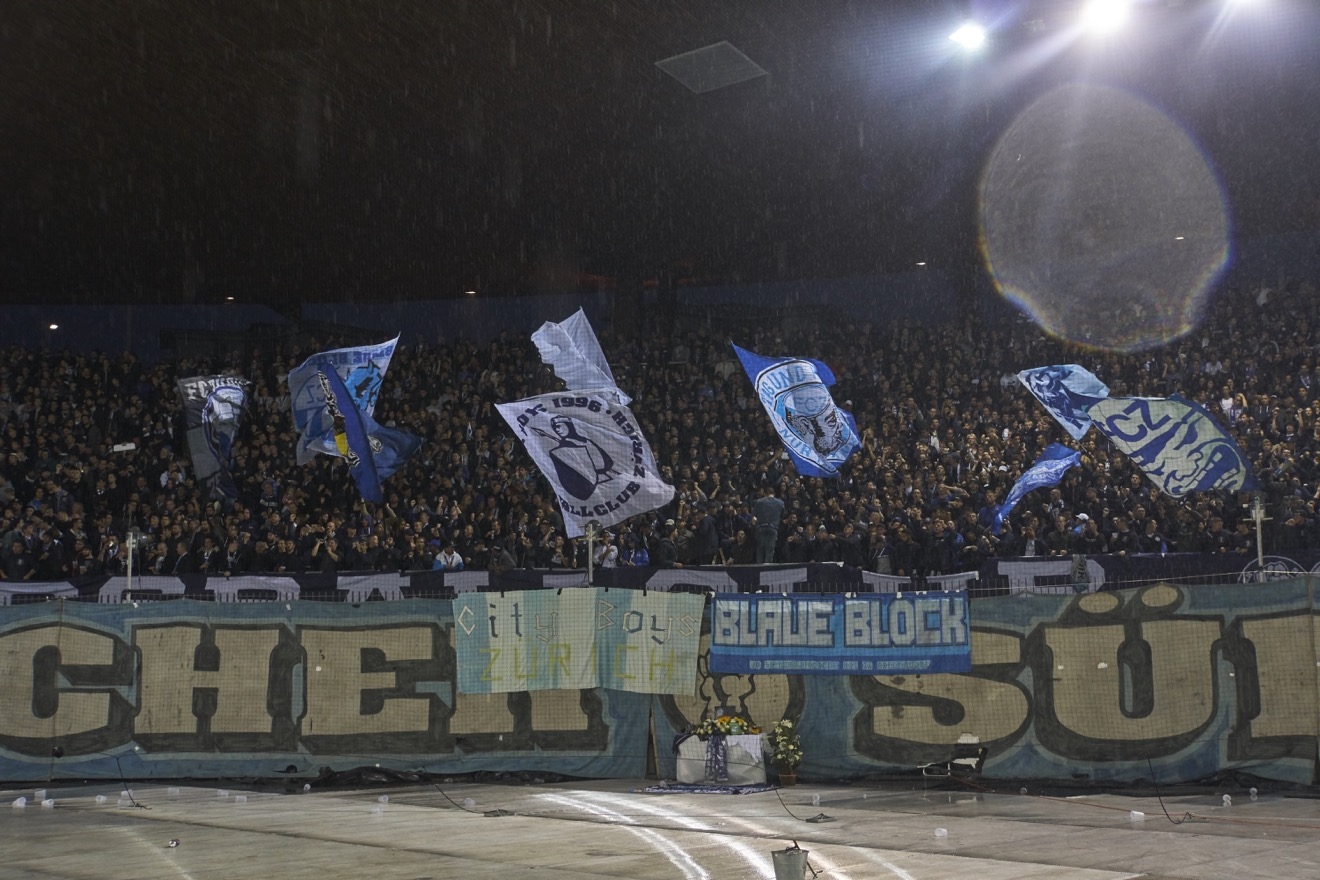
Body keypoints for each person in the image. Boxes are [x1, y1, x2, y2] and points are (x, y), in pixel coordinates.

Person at [751, 484, 785, 564]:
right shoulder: (781, 503)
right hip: (773, 528)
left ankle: (759, 568)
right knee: (769, 551)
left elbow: (754, 515)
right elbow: (782, 515)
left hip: (761, 528)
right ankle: (767, 569)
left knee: (760, 551)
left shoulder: (759, 502)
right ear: (774, 494)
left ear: (765, 493)